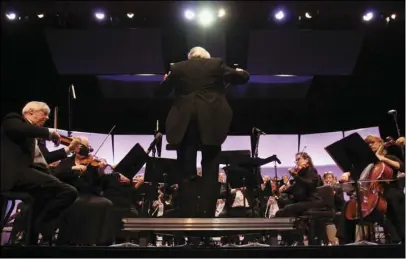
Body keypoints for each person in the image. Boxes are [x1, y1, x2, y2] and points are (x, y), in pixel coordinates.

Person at [155, 46, 249, 218]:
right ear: (206, 57)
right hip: (211, 123)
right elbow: (242, 78)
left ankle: (188, 214)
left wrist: (166, 79)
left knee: (186, 171)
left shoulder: (177, 68)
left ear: (190, 57)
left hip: (184, 123)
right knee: (210, 169)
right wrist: (240, 71)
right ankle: (207, 214)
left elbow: (161, 91)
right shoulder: (216, 64)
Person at [0, 101, 78, 244]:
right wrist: (48, 132)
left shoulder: (33, 135)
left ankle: (32, 237)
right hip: (16, 175)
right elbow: (18, 129)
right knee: (67, 191)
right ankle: (39, 225)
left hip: (29, 176)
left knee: (54, 194)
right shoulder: (13, 120)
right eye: (44, 114)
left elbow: (45, 158)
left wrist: (68, 150)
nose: (47, 118)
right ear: (30, 112)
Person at [338, 134, 405, 244]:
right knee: (348, 205)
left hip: (389, 189)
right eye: (367, 144)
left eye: (372, 142)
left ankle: (398, 238)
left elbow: (402, 167)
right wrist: (347, 174)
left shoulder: (390, 157)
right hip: (372, 193)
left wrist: (383, 159)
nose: (370, 145)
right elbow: (356, 173)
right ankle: (345, 240)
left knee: (391, 197)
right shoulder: (368, 162)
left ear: (380, 143)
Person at [52, 136, 116, 245]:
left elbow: (99, 184)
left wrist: (100, 171)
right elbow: (56, 174)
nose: (81, 149)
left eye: (85, 147)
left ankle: (102, 242)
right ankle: (69, 240)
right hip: (70, 194)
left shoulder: (92, 162)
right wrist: (73, 168)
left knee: (107, 204)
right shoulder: (66, 162)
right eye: (79, 146)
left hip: (88, 194)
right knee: (74, 204)